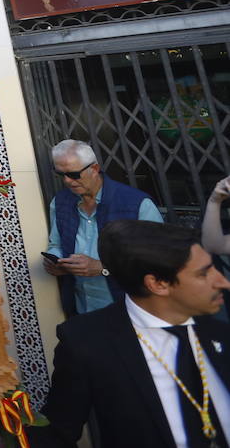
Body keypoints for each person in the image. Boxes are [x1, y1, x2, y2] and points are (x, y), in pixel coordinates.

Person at [32, 219, 230, 448]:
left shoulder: (220, 331)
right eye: (204, 274)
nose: (223, 281)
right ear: (158, 284)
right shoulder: (87, 342)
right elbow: (56, 433)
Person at [43, 139, 162, 316]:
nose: (67, 181)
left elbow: (159, 257)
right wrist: (56, 261)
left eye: (74, 174)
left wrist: (103, 267)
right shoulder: (60, 202)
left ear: (95, 169)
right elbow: (56, 244)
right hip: (82, 309)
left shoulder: (137, 203)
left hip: (133, 309)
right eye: (61, 175)